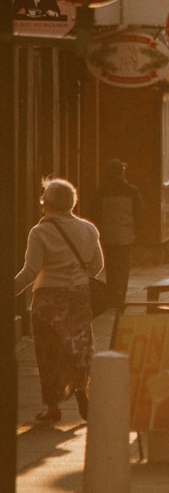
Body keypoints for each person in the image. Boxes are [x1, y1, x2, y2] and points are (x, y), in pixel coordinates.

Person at [15, 178, 104, 422]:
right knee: (79, 348)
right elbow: (97, 264)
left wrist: (9, 291)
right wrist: (78, 279)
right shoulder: (88, 229)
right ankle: (81, 391)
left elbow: (30, 271)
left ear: (49, 204)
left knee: (48, 353)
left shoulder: (40, 232)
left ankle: (53, 407)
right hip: (79, 297)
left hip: (48, 300)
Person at [91, 158, 143, 307]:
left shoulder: (101, 192)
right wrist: (137, 230)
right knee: (124, 265)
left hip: (107, 234)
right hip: (126, 234)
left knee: (111, 265)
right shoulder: (132, 191)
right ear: (122, 172)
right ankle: (121, 293)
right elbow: (139, 213)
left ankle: (112, 293)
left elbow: (94, 213)